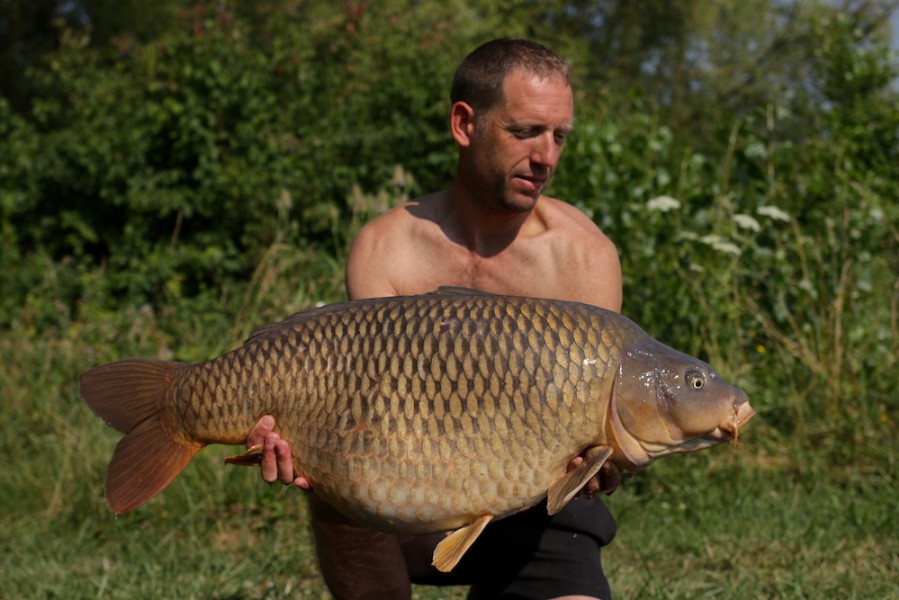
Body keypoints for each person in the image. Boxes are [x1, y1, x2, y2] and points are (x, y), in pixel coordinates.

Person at [247, 38, 623, 600]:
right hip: (409, 491)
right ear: (464, 124)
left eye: (559, 136)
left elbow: (598, 429)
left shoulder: (584, 258)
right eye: (525, 131)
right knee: (338, 490)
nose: (547, 156)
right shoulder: (387, 247)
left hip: (541, 510)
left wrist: (606, 460)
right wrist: (306, 444)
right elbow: (364, 409)